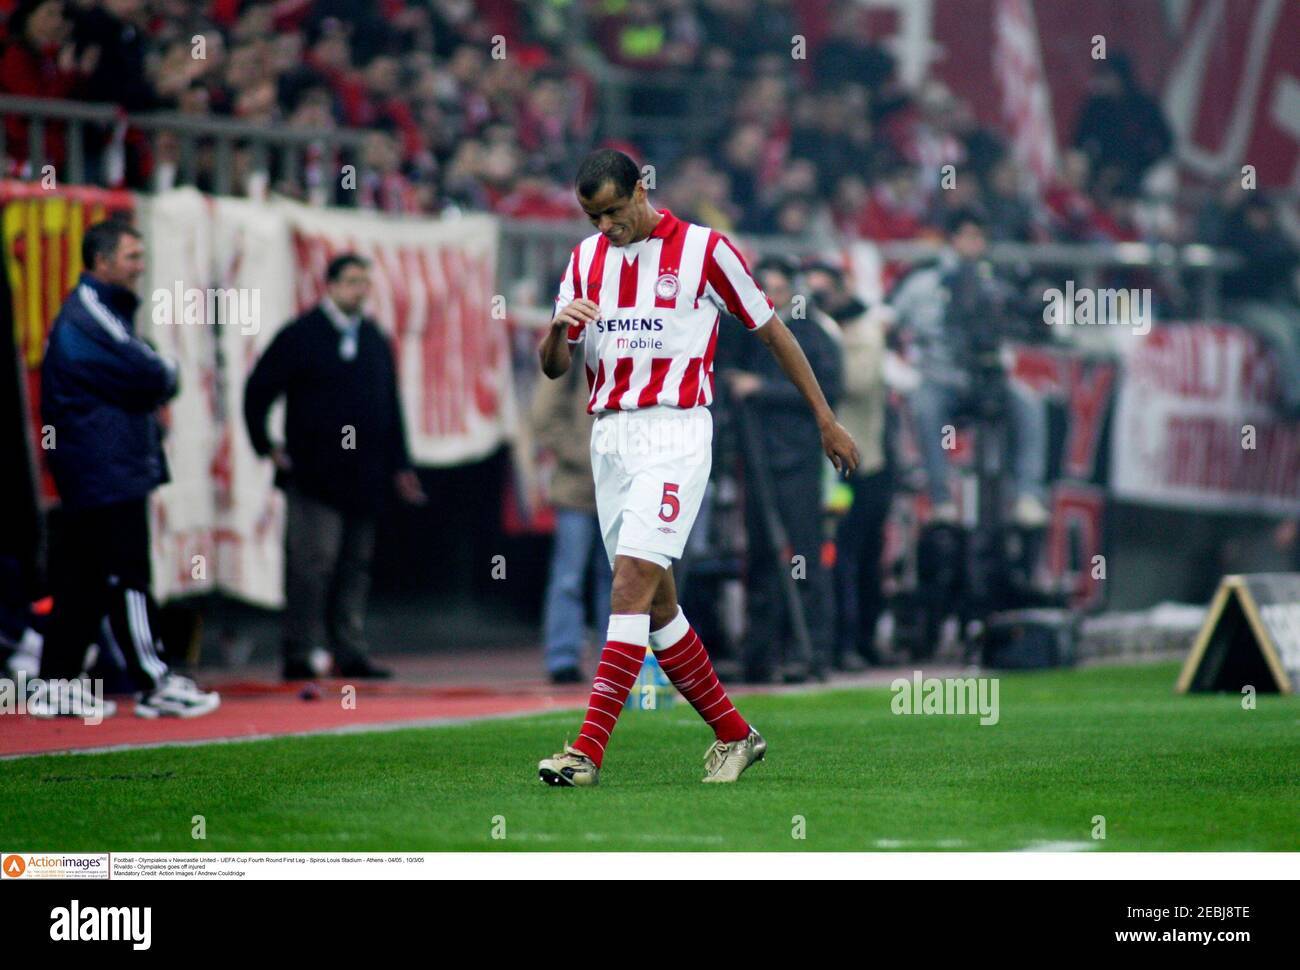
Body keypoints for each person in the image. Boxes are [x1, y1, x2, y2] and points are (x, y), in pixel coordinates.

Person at [535, 148, 859, 786]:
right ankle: (736, 736)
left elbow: (773, 332)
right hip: (611, 437)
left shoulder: (706, 250)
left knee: (628, 587)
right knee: (656, 611)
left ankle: (585, 753)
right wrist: (553, 331)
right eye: (591, 216)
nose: (604, 228)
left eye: (610, 212)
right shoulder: (584, 260)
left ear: (638, 193)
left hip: (676, 432)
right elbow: (556, 366)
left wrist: (824, 416)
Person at [37, 219, 220, 718]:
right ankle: (154, 680)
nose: (140, 267)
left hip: (95, 467)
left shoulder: (100, 312)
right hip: (104, 468)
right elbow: (149, 371)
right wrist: (163, 373)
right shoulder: (88, 316)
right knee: (128, 574)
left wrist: (153, 376)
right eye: (132, 257)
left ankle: (54, 682)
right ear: (101, 262)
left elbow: (140, 373)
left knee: (83, 579)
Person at [244, 253, 426, 682]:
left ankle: (349, 648)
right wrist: (264, 445)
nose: (360, 290)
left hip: (365, 477)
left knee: (354, 566)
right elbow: (258, 390)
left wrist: (401, 466)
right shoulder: (301, 335)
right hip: (314, 475)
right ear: (329, 285)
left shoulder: (374, 339)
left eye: (366, 282)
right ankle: (299, 650)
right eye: (352, 282)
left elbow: (390, 407)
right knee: (313, 564)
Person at [723, 257, 843, 683]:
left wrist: (763, 390)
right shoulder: (746, 335)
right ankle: (762, 652)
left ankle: (811, 650)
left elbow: (828, 392)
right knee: (760, 557)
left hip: (797, 461)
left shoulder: (812, 333)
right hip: (757, 463)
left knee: (803, 557)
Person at [891, 209, 1049, 526]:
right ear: (952, 239)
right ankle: (941, 499)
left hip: (987, 379)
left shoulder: (998, 284)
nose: (972, 242)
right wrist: (901, 369)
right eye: (965, 235)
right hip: (940, 379)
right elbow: (889, 321)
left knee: (1029, 404)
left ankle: (1027, 496)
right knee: (925, 406)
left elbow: (1026, 321)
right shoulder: (923, 284)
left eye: (979, 236)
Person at [804, 261, 893, 668]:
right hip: (826, 467)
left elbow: (852, 383)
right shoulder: (817, 331)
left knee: (855, 555)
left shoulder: (862, 331)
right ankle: (837, 642)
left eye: (824, 295)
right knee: (831, 554)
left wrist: (827, 338)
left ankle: (858, 641)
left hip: (860, 466)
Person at [531, 344, 612, 684]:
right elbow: (543, 416)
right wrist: (587, 455)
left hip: (615, 486)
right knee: (570, 576)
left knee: (617, 579)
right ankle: (562, 657)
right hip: (578, 485)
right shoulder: (573, 350)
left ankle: (616, 662)